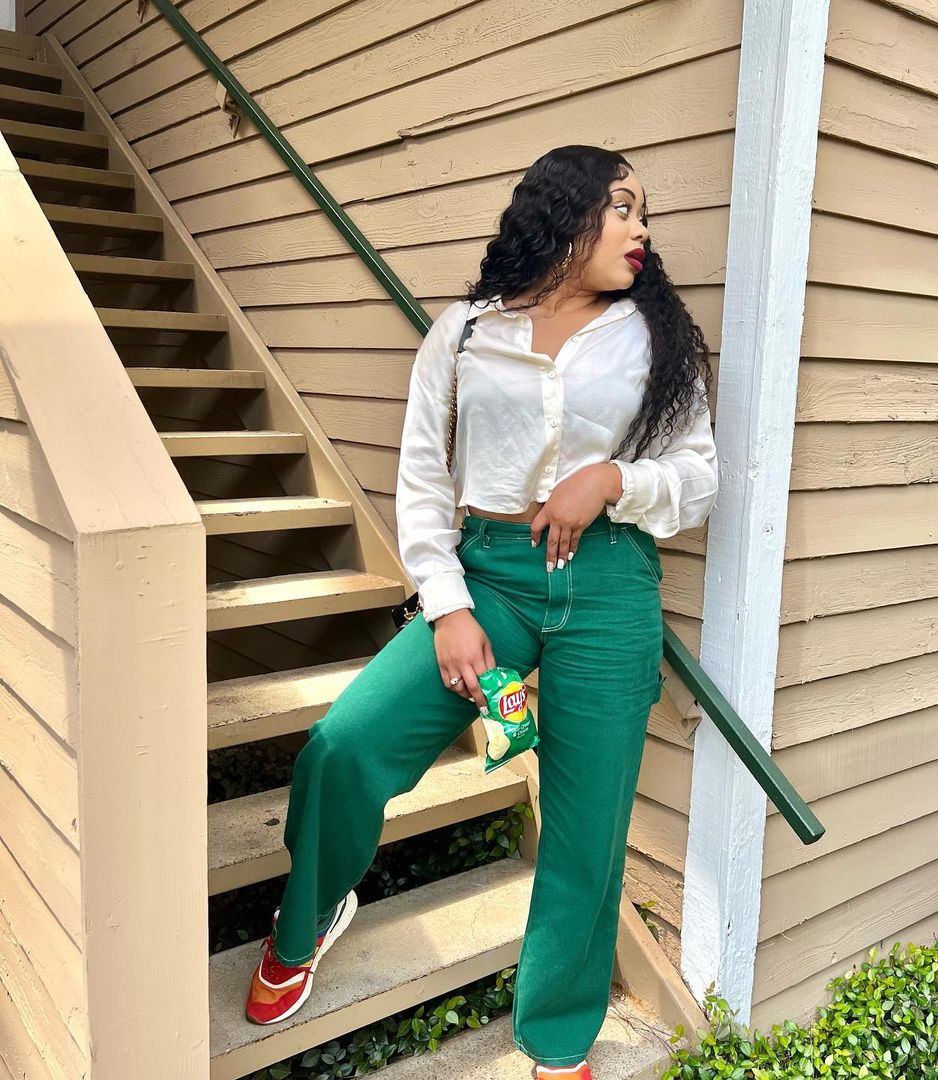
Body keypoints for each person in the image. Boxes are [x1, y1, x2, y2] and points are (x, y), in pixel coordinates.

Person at [245, 144, 719, 1080]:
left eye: (646, 213)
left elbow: (697, 476)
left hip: (609, 582)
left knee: (587, 827)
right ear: (564, 211)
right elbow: (423, 479)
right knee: (346, 744)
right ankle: (308, 913)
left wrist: (612, 479)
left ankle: (559, 1039)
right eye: (623, 208)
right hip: (488, 574)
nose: (642, 230)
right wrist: (446, 605)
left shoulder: (653, 337)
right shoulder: (463, 333)